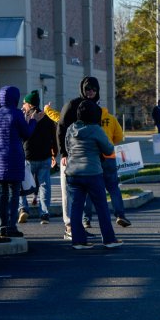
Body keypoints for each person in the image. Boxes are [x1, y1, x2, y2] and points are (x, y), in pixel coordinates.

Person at [63, 100, 122, 249]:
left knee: (76, 207)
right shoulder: (96, 129)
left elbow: (67, 147)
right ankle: (108, 239)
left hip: (72, 172)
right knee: (101, 206)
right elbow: (108, 149)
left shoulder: (71, 128)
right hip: (92, 172)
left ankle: (78, 241)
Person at [0, 86, 41, 237]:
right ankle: (12, 226)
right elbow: (26, 134)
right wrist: (33, 121)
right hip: (13, 157)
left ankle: (2, 226)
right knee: (14, 194)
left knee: (1, 194)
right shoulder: (17, 113)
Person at [56, 77, 101, 240]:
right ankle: (69, 227)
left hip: (88, 159)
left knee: (81, 195)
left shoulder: (96, 108)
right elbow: (60, 128)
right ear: (82, 89)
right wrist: (63, 153)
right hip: (70, 157)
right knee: (67, 192)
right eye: (88, 89)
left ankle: (78, 226)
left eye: (94, 90)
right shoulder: (72, 105)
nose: (90, 92)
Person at [18, 90, 57, 225]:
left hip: (27, 156)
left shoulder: (25, 117)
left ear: (29, 104)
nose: (23, 105)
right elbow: (54, 136)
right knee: (45, 186)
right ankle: (44, 214)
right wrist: (54, 153)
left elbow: (20, 135)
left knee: (21, 184)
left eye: (24, 103)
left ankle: (23, 208)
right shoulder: (46, 117)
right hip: (45, 156)